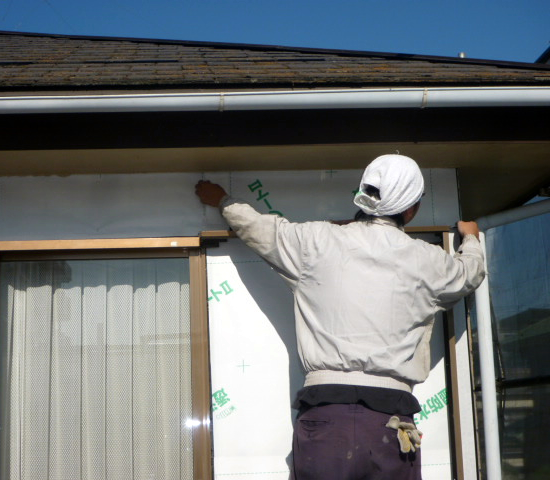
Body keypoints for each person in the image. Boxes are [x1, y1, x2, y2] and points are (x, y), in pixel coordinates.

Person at [194, 154, 485, 480]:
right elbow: (469, 274)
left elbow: (259, 228)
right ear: (411, 208)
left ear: (363, 193)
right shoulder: (428, 261)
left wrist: (221, 199)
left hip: (327, 418)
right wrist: (471, 238)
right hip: (390, 422)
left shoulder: (316, 241)